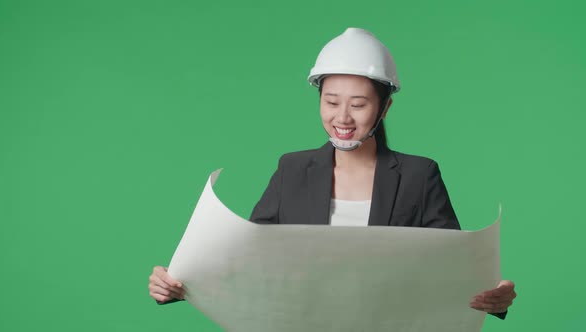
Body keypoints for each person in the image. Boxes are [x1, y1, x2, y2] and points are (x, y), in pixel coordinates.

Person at [149, 27, 516, 319]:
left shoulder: (420, 176)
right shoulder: (291, 169)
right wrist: (178, 285)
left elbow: (455, 271)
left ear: (384, 108)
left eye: (358, 104)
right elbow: (247, 261)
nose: (342, 118)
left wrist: (495, 297)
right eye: (331, 102)